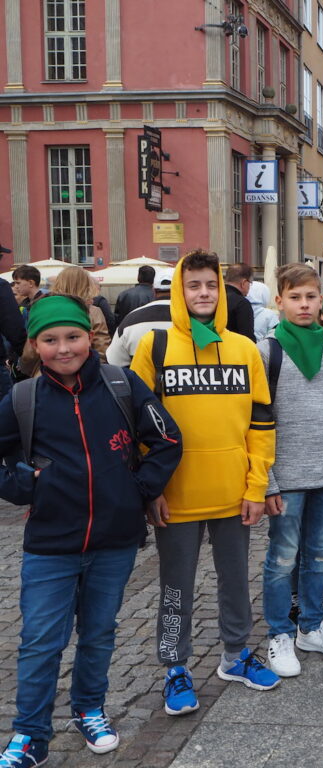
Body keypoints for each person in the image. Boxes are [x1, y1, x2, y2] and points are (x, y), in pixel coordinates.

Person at [0, 295, 182, 765]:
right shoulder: (23, 399)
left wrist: (137, 488)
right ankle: (30, 734)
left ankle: (89, 709)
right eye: (50, 340)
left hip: (114, 541)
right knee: (41, 641)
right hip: (50, 544)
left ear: (90, 337)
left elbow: (167, 439)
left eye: (73, 337)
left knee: (99, 632)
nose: (64, 348)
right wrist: (23, 484)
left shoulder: (122, 383)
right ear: (35, 346)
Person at [130, 249, 280, 715]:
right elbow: (137, 424)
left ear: (222, 290)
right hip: (176, 495)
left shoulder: (244, 349)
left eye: (211, 285)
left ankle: (236, 654)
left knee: (236, 580)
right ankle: (175, 667)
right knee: (175, 586)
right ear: (179, 290)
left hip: (233, 492)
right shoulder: (155, 346)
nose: (203, 293)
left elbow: (261, 424)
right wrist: (152, 489)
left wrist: (256, 487)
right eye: (193, 285)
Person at [259, 264, 323, 676]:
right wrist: (267, 482)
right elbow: (256, 421)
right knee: (282, 558)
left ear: (322, 301)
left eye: (311, 296)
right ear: (279, 301)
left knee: (319, 555)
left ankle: (312, 627)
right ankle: (279, 633)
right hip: (286, 478)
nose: (304, 304)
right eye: (295, 297)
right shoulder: (266, 352)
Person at [20, 266, 110, 377]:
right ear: (86, 285)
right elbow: (102, 349)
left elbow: (29, 353)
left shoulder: (44, 309)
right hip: (86, 375)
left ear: (59, 283)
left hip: (46, 374)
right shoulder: (94, 312)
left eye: (73, 337)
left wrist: (27, 369)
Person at [105, 269, 173, 367]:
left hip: (138, 374)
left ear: (154, 291)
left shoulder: (129, 320)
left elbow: (114, 361)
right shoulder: (192, 318)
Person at [223, 263, 256, 342]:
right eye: (250, 283)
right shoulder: (242, 304)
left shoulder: (214, 298)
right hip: (234, 348)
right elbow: (247, 338)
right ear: (244, 283)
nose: (249, 286)